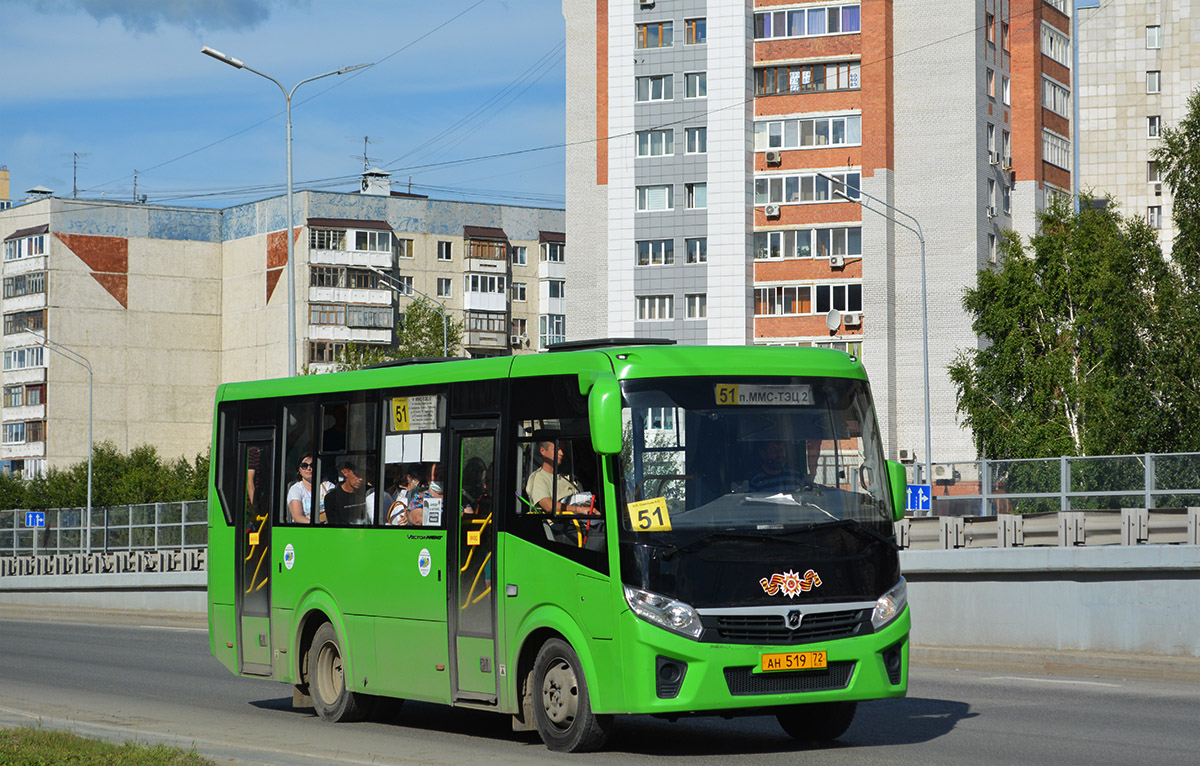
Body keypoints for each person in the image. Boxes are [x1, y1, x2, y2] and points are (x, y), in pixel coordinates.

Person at [526, 440, 597, 515]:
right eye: (557, 449)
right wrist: (580, 510)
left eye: (563, 450)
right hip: (559, 523)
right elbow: (548, 506)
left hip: (580, 521)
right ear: (543, 451)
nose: (561, 453)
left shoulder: (569, 477)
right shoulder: (538, 478)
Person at [285, 455, 333, 523]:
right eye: (304, 465)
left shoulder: (328, 486)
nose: (309, 468)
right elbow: (297, 517)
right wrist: (317, 525)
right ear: (299, 469)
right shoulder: (295, 489)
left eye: (312, 465)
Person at [324, 461, 370, 525]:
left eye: (363, 474)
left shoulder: (369, 492)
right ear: (345, 472)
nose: (361, 479)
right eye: (357, 474)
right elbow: (334, 527)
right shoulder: (332, 498)